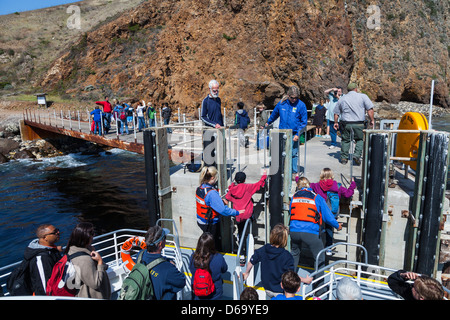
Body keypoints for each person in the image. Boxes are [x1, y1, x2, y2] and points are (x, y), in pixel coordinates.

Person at [289, 177, 342, 295]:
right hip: (310, 233)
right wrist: (337, 225)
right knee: (319, 257)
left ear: (298, 186)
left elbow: (290, 212)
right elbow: (328, 217)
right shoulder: (316, 197)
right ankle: (319, 289)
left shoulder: (294, 197)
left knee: (294, 254)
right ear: (309, 186)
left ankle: (290, 284)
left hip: (294, 231)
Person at [242, 223, 311, 299]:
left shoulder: (264, 249)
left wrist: (246, 273)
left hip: (267, 288)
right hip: (280, 290)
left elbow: (251, 261)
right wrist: (305, 280)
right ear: (285, 239)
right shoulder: (287, 256)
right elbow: (291, 276)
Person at [265, 85, 308, 179]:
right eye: (292, 98)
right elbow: (275, 114)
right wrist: (268, 122)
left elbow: (303, 122)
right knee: (281, 152)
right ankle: (281, 170)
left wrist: (298, 134)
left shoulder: (301, 105)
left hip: (294, 134)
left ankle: (293, 172)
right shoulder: (281, 104)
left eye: (296, 98)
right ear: (288, 95)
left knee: (293, 153)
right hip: (282, 133)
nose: (294, 100)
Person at [196, 166, 243, 250]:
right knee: (212, 243)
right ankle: (210, 257)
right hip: (210, 223)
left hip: (201, 221)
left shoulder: (200, 188)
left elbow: (207, 202)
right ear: (212, 178)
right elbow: (223, 210)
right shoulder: (212, 193)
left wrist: (219, 201)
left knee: (206, 240)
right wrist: (237, 212)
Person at [309, 168, 356, 247]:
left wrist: (297, 178)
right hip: (331, 213)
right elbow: (348, 194)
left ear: (321, 175)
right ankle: (328, 248)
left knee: (318, 227)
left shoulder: (316, 186)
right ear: (332, 176)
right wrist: (353, 184)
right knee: (329, 228)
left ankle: (316, 246)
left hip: (319, 213)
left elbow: (305, 185)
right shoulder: (337, 186)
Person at [225, 170, 267, 258]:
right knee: (248, 229)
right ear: (244, 180)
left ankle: (242, 255)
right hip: (247, 215)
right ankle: (252, 220)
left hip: (238, 216)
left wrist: (232, 186)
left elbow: (228, 197)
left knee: (241, 233)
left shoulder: (232, 190)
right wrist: (264, 174)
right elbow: (259, 184)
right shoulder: (248, 187)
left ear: (235, 180)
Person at [64, 222, 111, 299]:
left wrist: (89, 250)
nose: (94, 235)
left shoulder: (72, 249)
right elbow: (95, 284)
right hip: (93, 296)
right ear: (85, 237)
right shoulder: (84, 260)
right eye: (92, 233)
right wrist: (99, 261)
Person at [139, 225, 186, 300]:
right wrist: (171, 265)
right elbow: (182, 281)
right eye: (165, 238)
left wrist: (166, 261)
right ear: (160, 244)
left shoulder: (140, 255)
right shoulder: (168, 269)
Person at [333, 82, 374, 165]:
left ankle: (344, 158)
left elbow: (336, 113)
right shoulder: (363, 96)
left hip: (346, 123)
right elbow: (370, 109)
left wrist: (336, 122)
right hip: (359, 123)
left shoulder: (342, 98)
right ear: (356, 89)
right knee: (360, 139)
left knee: (345, 140)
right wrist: (372, 120)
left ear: (348, 90)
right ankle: (356, 155)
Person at [22, 225, 62, 295]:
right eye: (54, 232)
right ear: (45, 237)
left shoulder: (50, 249)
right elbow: (43, 286)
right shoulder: (41, 258)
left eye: (57, 230)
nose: (58, 232)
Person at [189, 232, 227, 300]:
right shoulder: (219, 257)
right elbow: (224, 269)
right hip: (215, 294)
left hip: (197, 293)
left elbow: (191, 270)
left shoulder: (193, 257)